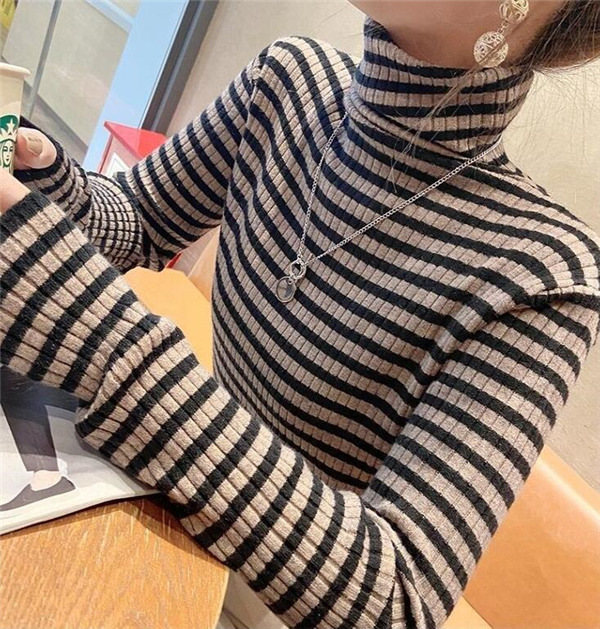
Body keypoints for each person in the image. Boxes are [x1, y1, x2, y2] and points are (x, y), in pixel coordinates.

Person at [1, 1, 599, 627]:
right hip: (147, 505)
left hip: (263, 600)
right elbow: (140, 222)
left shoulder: (546, 272)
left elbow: (400, 604)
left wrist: (113, 350)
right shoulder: (285, 82)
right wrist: (43, 176)